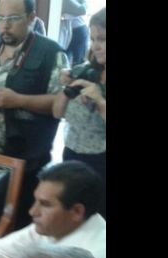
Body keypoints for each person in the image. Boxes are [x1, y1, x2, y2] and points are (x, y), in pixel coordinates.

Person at [0, 0, 67, 228]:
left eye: (13, 18)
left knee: (13, 226)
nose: (5, 26)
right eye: (0, 18)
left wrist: (19, 100)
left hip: (21, 160)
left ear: (31, 18)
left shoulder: (51, 53)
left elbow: (61, 105)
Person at [53, 7, 105, 217]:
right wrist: (67, 89)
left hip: (101, 164)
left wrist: (100, 101)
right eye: (93, 39)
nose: (96, 46)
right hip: (72, 155)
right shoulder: (85, 71)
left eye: (102, 39)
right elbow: (57, 112)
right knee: (71, 218)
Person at [59, 0, 89, 66]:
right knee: (66, 61)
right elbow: (82, 10)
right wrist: (84, 3)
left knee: (77, 63)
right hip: (71, 31)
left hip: (77, 30)